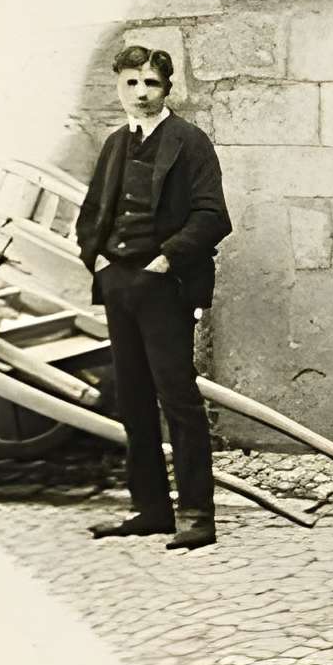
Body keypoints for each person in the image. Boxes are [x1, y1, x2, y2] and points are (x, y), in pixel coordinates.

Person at [75, 45, 232, 549]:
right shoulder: (116, 143)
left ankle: (197, 515)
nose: (141, 94)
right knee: (133, 401)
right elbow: (91, 211)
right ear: (118, 86)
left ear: (168, 89)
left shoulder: (189, 142)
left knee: (178, 399)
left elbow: (212, 217)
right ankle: (150, 509)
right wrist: (96, 257)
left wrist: (165, 259)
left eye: (152, 85)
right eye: (132, 84)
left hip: (166, 285)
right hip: (118, 285)